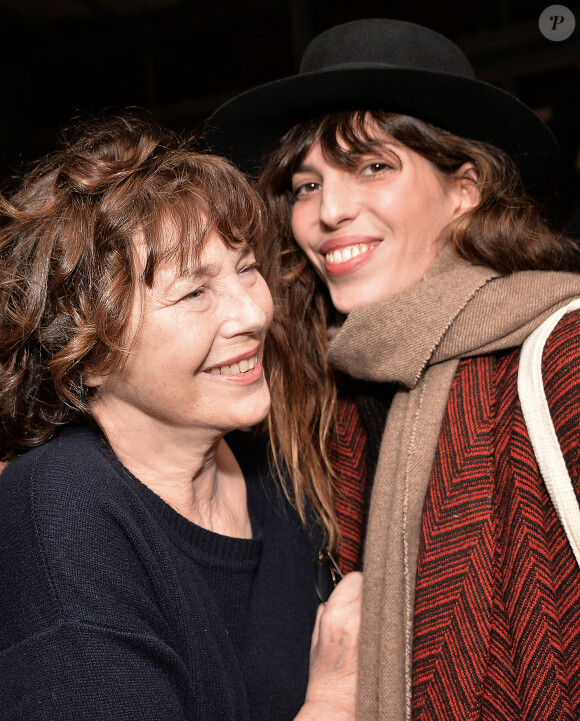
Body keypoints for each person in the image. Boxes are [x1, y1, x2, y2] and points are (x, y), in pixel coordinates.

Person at [206, 18, 580, 721]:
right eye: (306, 183)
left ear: (465, 186)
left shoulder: (562, 353)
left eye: (373, 166)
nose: (328, 211)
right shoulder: (333, 393)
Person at [0, 112, 362, 721]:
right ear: (85, 353)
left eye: (246, 269)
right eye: (194, 293)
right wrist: (333, 699)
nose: (251, 313)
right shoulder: (59, 520)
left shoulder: (269, 465)